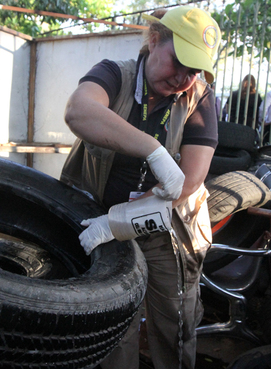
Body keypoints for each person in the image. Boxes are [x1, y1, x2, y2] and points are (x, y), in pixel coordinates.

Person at [60, 6, 220, 369]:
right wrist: (154, 150)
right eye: (177, 62)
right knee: (113, 325)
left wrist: (122, 221)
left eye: (193, 70)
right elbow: (78, 111)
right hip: (98, 223)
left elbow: (190, 179)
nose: (183, 78)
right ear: (153, 40)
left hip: (168, 230)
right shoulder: (113, 74)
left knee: (175, 321)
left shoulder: (200, 99)